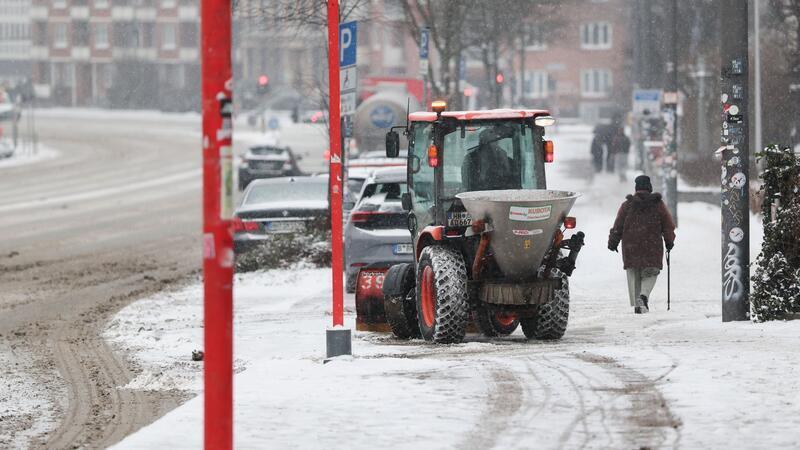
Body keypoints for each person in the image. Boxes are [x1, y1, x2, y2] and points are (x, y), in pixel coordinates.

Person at [608, 175, 676, 313]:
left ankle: (638, 304)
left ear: (636, 188)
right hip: (652, 245)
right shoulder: (658, 205)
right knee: (650, 272)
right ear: (649, 188)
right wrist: (669, 241)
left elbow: (618, 226)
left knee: (633, 273)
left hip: (631, 246)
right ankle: (643, 296)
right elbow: (668, 225)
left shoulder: (627, 205)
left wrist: (613, 241)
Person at [461, 127, 517, 191]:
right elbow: (468, 185)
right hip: (477, 195)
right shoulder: (471, 160)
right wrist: (484, 169)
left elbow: (514, 184)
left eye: (496, 142)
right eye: (490, 143)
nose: (493, 147)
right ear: (482, 143)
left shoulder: (508, 161)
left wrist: (506, 164)